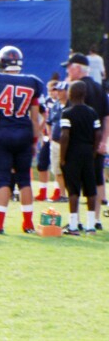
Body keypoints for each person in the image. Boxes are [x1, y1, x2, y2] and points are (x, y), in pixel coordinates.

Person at [0, 46, 44, 234]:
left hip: (3, 133)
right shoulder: (32, 82)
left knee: (2, 180)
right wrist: (34, 141)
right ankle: (28, 224)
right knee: (24, 180)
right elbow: (34, 118)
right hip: (24, 133)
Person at [63, 52, 109, 230]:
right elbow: (106, 117)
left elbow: (68, 125)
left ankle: (76, 221)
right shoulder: (99, 88)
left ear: (76, 68)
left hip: (76, 147)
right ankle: (95, 219)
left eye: (69, 67)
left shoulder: (76, 91)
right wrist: (104, 142)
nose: (67, 71)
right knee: (95, 180)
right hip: (94, 145)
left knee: (74, 184)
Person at [59, 80, 102, 235]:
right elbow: (98, 133)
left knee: (73, 189)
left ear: (70, 94)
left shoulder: (67, 113)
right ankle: (91, 226)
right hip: (88, 152)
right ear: (85, 94)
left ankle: (73, 225)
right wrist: (94, 151)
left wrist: (62, 158)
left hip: (73, 153)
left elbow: (65, 135)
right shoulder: (92, 112)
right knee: (90, 189)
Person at [47, 81, 68, 202]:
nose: (58, 93)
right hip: (55, 141)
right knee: (57, 169)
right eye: (57, 90)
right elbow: (49, 122)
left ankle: (71, 193)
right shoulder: (55, 105)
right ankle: (62, 194)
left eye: (60, 90)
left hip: (68, 143)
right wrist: (50, 135)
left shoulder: (71, 105)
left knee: (69, 169)